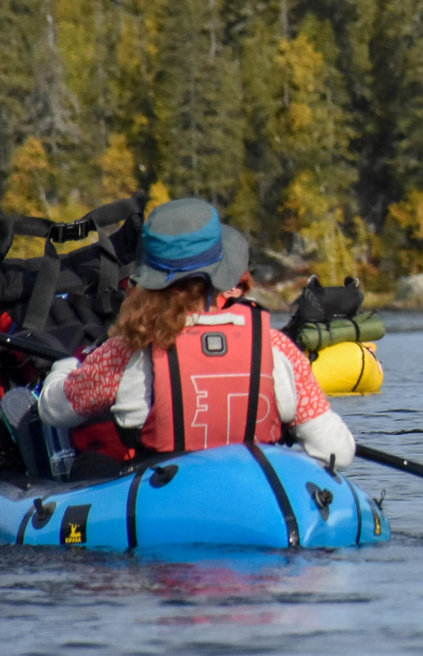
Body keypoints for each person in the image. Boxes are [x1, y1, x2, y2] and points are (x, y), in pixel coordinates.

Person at [38, 198, 355, 477]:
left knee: (91, 466)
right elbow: (336, 451)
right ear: (222, 273)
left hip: (163, 498)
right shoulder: (275, 346)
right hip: (252, 491)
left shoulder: (129, 348)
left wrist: (65, 367)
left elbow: (55, 410)